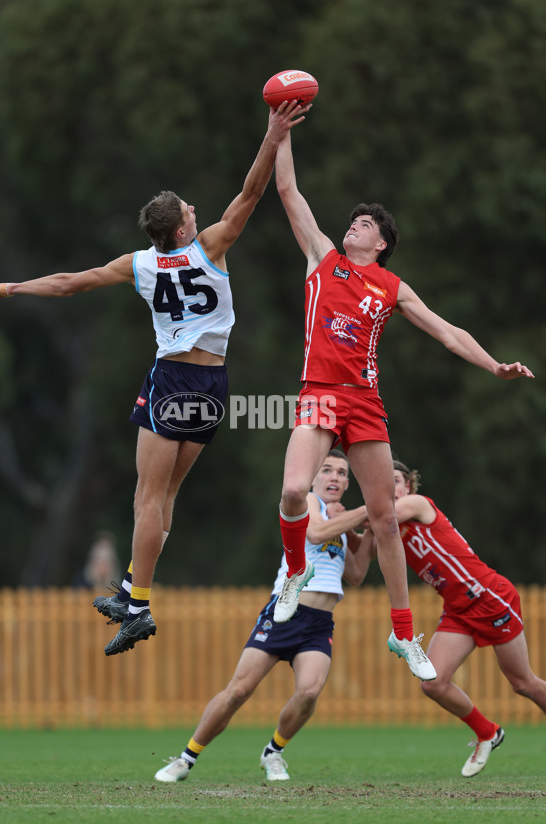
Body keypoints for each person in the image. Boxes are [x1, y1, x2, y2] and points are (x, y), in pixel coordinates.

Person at [0, 100, 309, 656]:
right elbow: (252, 193)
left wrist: (14, 287)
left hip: (171, 380)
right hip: (213, 387)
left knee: (146, 499)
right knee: (167, 493)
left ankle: (138, 607)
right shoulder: (213, 248)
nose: (196, 209)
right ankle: (134, 587)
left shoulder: (141, 264)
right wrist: (271, 136)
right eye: (188, 208)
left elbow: (68, 284)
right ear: (181, 226)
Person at [271, 127, 534, 682]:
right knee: (295, 490)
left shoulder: (390, 286)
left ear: (381, 243)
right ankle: (296, 571)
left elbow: (447, 331)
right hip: (319, 394)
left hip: (363, 401)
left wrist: (493, 364)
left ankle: (403, 631)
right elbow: (290, 191)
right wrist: (280, 131)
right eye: (354, 220)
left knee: (386, 519)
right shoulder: (323, 258)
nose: (354, 225)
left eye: (365, 224)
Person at [154, 450, 371, 783]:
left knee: (310, 692)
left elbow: (355, 575)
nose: (335, 477)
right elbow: (313, 534)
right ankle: (185, 758)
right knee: (239, 690)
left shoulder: (341, 523)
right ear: (313, 477)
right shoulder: (309, 503)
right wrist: (367, 512)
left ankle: (273, 752)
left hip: (318, 623)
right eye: (327, 470)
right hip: (285, 611)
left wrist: (366, 531)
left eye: (342, 473)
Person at [365, 459, 546, 777]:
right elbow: (356, 563)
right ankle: (488, 733)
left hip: (489, 597)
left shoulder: (416, 505)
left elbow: (382, 515)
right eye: (381, 481)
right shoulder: (383, 529)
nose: (389, 487)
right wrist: (326, 529)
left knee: (523, 683)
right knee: (433, 683)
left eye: (395, 480)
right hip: (458, 610)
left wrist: (343, 520)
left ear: (408, 486)